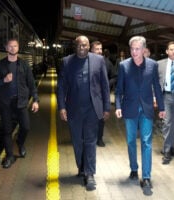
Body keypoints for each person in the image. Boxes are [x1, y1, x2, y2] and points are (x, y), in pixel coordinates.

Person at [56, 35, 110, 191]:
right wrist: (62, 107)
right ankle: (81, 167)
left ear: (89, 46)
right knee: (77, 141)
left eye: (85, 45)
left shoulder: (98, 61)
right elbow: (61, 87)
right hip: (74, 109)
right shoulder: (67, 62)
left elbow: (105, 86)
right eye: (79, 45)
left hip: (92, 109)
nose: (82, 48)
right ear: (75, 46)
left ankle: (90, 173)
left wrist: (106, 108)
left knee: (90, 141)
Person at [115, 36, 165, 193]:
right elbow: (118, 90)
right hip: (129, 109)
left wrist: (162, 107)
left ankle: (147, 177)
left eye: (137, 49)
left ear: (144, 49)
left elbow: (156, 87)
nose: (134, 52)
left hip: (147, 109)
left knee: (146, 142)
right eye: (132, 49)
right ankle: (134, 168)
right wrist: (117, 106)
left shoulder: (152, 65)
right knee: (130, 141)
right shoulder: (123, 65)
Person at [0, 38, 39, 168]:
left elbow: (31, 83)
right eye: (10, 46)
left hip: (21, 101)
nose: (13, 48)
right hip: (6, 102)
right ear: (6, 48)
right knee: (6, 130)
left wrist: (35, 99)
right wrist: (3, 81)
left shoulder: (23, 65)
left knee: (26, 127)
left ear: (18, 48)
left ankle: (20, 143)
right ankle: (10, 156)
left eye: (15, 46)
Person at [90, 41, 108, 147]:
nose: (100, 51)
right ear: (91, 50)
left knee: (100, 119)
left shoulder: (105, 61)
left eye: (101, 49)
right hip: (88, 96)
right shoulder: (86, 61)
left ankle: (99, 138)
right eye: (97, 49)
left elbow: (114, 75)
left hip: (99, 96)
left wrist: (106, 84)